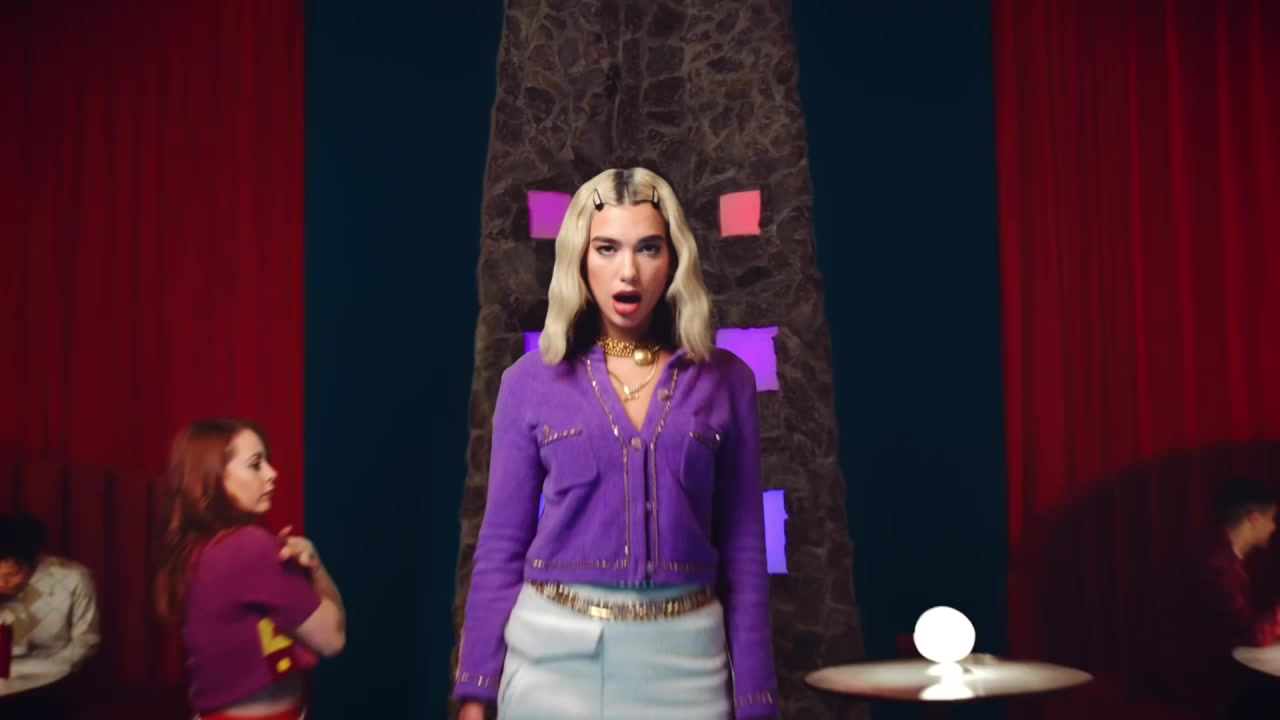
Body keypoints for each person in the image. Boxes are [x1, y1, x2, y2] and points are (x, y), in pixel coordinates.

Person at [455, 167, 778, 720]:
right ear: (580, 258)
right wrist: (475, 693)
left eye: (648, 247)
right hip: (552, 661)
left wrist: (755, 701)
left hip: (688, 665)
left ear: (674, 258)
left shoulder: (728, 380)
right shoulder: (529, 381)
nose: (628, 271)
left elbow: (745, 548)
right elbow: (501, 545)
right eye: (607, 248)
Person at [155, 418, 346, 720]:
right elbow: (332, 639)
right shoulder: (247, 546)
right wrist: (317, 568)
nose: (272, 473)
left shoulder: (198, 549)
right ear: (213, 477)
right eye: (256, 464)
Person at [1142, 476, 1280, 718]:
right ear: (1253, 518)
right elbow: (1249, 635)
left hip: (1198, 674)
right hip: (1195, 684)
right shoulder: (1215, 564)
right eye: (1272, 519)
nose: (1274, 527)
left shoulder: (1215, 552)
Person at [0, 511, 100, 671]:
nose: (2, 582)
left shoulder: (73, 578)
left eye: (12, 574)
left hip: (53, 675)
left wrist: (47, 670)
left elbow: (86, 640)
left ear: (32, 563)